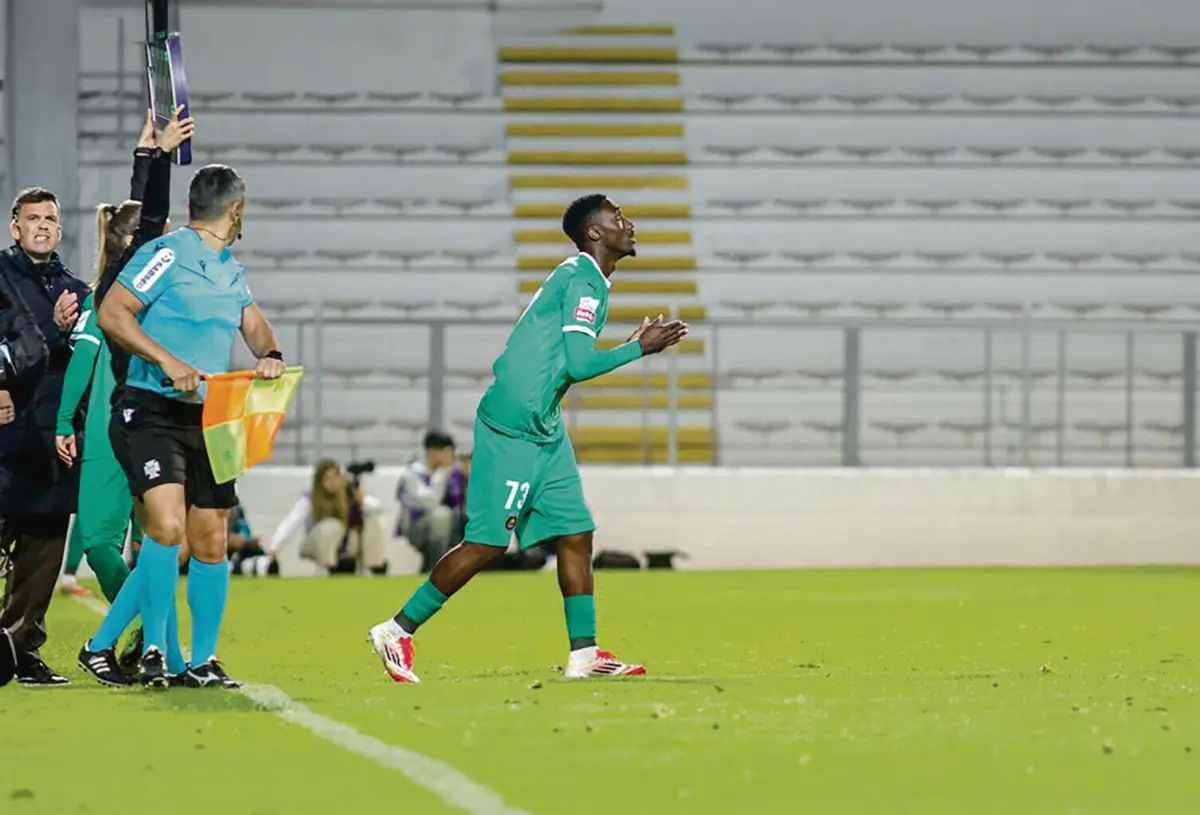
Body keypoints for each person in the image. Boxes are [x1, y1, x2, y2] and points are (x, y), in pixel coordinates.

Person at [367, 194, 688, 683]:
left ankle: (585, 654)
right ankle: (397, 630)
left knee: (576, 532)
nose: (630, 223)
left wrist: (625, 347)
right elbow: (580, 365)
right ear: (595, 233)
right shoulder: (584, 281)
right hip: (513, 425)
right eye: (618, 217)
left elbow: (565, 357)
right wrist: (638, 350)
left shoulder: (583, 278)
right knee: (488, 542)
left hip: (544, 423)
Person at [81, 162, 284, 689]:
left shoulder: (229, 268)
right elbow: (113, 312)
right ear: (236, 210)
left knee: (210, 538)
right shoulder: (165, 254)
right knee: (167, 528)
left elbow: (255, 323)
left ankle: (202, 661)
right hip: (151, 408)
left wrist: (271, 353)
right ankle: (153, 650)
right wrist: (168, 361)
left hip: (210, 414)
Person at [66, 111, 195, 685]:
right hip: (127, 419)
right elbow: (151, 224)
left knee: (166, 543)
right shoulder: (119, 286)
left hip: (153, 418)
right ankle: (147, 636)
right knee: (121, 540)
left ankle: (151, 646)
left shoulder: (167, 286)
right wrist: (152, 159)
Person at [0, 185, 91, 686]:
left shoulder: (76, 288)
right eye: (31, 218)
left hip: (53, 437)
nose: (41, 226)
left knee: (43, 551)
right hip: (7, 433)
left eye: (49, 219)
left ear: (58, 228)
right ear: (15, 227)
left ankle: (20, 647)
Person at [266, 459, 387, 575]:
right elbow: (292, 521)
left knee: (372, 520)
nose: (332, 482)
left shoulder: (347, 491)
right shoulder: (311, 496)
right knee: (332, 525)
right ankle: (327, 569)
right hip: (316, 542)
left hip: (344, 544)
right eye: (327, 478)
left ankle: (374, 567)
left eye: (335, 477)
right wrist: (274, 548)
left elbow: (376, 508)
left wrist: (361, 500)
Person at [395, 430, 466, 572]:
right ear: (432, 451)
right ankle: (435, 569)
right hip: (416, 526)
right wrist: (443, 472)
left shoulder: (452, 471)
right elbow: (430, 501)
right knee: (441, 515)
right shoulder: (413, 474)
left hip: (449, 525)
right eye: (446, 452)